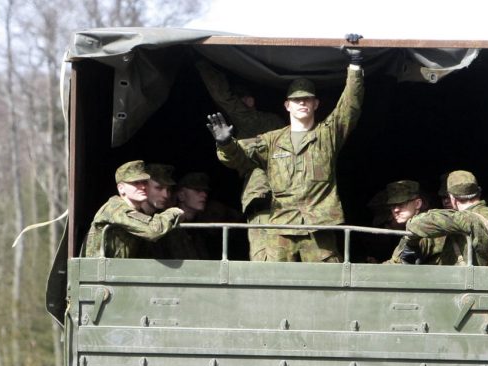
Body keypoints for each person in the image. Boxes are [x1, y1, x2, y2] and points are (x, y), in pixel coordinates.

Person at [206, 36, 365, 262]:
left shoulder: (327, 135)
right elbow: (239, 160)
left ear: (315, 104)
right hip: (280, 226)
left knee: (327, 287)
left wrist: (355, 65)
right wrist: (225, 144)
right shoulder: (271, 140)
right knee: (273, 284)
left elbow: (350, 106)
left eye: (307, 99)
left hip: (318, 228)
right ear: (287, 105)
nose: (302, 103)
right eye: (296, 100)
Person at [196, 59, 285, 261]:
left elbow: (224, 97)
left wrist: (201, 61)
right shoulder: (247, 126)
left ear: (249, 101)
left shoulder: (256, 120)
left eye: (239, 101)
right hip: (261, 197)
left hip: (267, 196)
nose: (233, 107)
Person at [82, 160, 184, 258]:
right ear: (121, 188)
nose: (143, 187)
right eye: (136, 183)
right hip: (98, 273)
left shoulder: (136, 211)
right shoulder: (116, 208)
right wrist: (172, 212)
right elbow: (153, 231)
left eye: (144, 182)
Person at [401, 170, 488, 266]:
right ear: (478, 193)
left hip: (462, 279)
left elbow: (416, 224)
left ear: (452, 198)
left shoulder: (462, 219)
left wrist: (411, 243)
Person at [380, 180, 448, 264]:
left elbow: (399, 263)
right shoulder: (414, 227)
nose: (396, 210)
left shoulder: (425, 227)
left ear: (417, 204)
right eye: (392, 205)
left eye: (402, 204)